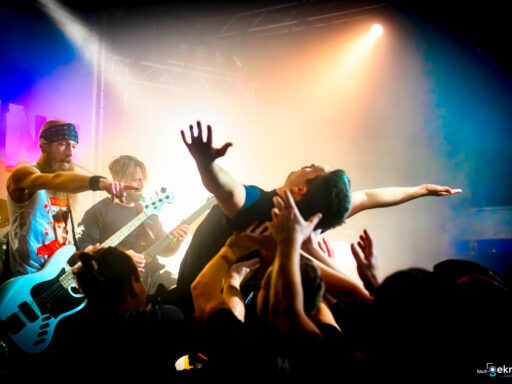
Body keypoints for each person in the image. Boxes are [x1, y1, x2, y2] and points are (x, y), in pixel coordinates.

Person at [160, 120, 462, 316]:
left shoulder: (258, 203)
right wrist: (419, 190)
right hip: (232, 311)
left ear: (302, 188)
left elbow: (225, 188)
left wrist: (205, 164)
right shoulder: (313, 221)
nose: (309, 163)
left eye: (313, 167)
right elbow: (369, 198)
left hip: (192, 304)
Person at [3, 120, 140, 279]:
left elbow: (61, 243)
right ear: (43, 146)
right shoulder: (24, 173)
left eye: (74, 146)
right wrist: (101, 183)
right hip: (22, 281)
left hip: (55, 280)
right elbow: (55, 179)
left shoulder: (69, 190)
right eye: (63, 144)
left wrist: (82, 255)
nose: (70, 152)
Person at [77, 155, 189, 295]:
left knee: (187, 291)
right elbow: (83, 252)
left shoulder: (148, 211)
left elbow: (163, 251)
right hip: (119, 287)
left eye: (143, 180)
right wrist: (121, 260)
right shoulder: (97, 212)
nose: (142, 185)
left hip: (153, 281)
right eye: (137, 180)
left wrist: (176, 241)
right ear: (120, 180)